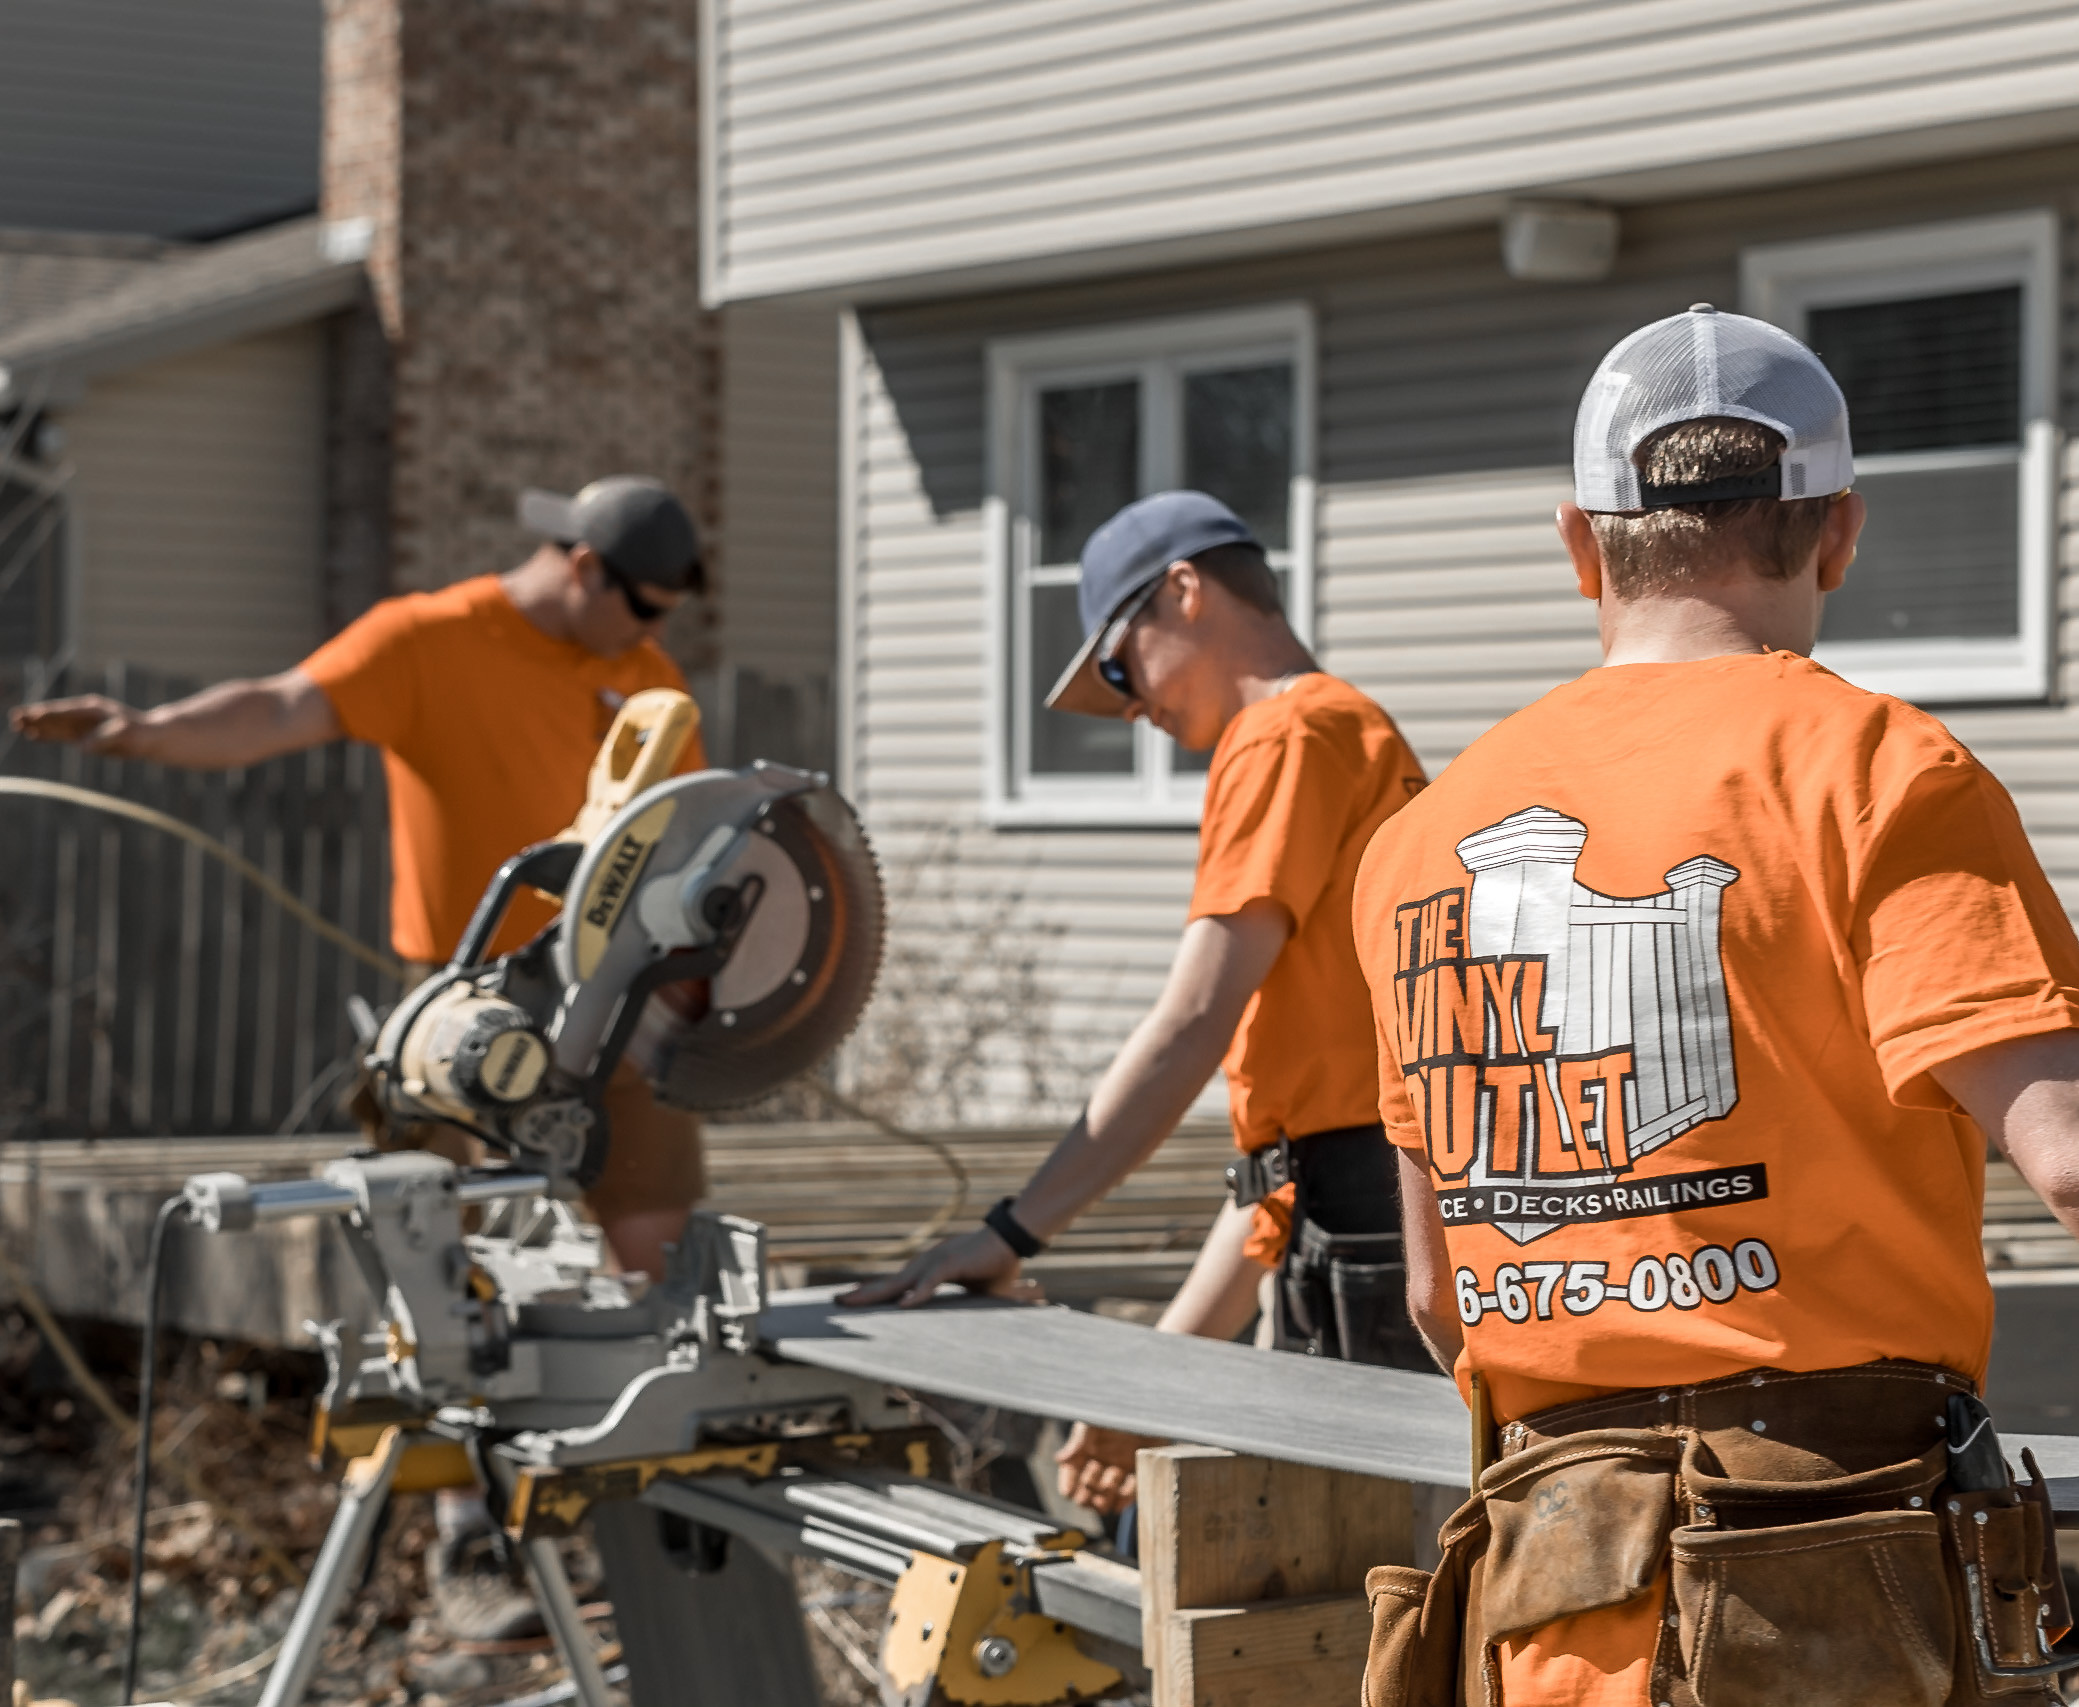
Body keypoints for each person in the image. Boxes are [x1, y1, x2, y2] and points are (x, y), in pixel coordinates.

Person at [1347, 306, 2079, 1707]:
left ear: (1579, 544)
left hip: (1537, 1604)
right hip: (1819, 1594)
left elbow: (1437, 1290)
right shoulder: (1870, 768)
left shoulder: (1420, 841)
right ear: (1840, 533)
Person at [12, 474, 712, 1641]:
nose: (652, 633)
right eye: (641, 606)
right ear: (584, 566)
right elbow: (278, 705)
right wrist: (144, 731)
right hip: (461, 1016)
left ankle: (656, 1520)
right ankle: (469, 1542)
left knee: (667, 1264)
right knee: (440, 1272)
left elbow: (685, 836)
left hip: (619, 1002)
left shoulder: (648, 679)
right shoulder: (428, 640)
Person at [842, 489, 1429, 1518]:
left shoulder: (1286, 733)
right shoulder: (1346, 732)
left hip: (1365, 1246)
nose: (1132, 710)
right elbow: (1291, 1176)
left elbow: (1192, 1021)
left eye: (1119, 668)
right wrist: (1151, 1390)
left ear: (1185, 591)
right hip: (1363, 1227)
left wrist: (1012, 1232)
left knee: (1366, 1587)